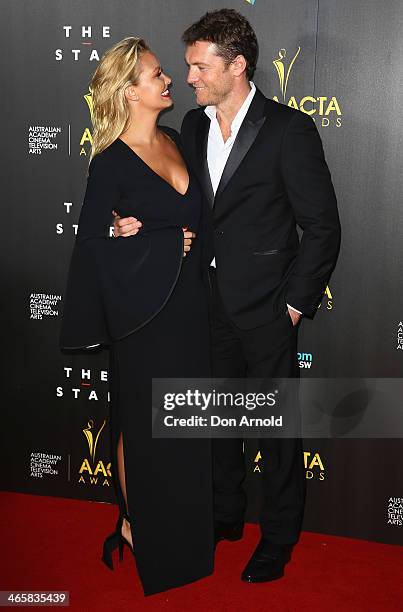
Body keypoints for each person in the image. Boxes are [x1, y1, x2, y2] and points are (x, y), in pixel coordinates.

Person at [114, 9, 341, 584]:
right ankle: (225, 516)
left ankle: (280, 536)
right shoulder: (190, 127)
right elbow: (184, 204)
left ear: (236, 66)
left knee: (276, 432)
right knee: (213, 423)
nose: (188, 76)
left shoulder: (289, 129)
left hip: (267, 307)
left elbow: (322, 227)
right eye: (187, 66)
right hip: (202, 302)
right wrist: (145, 227)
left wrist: (294, 303)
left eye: (198, 65)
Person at [60, 37, 215, 596]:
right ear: (130, 92)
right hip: (142, 317)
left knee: (183, 424)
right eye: (156, 75)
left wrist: (152, 232)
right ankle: (137, 524)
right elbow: (94, 249)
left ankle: (182, 530)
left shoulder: (176, 139)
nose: (168, 79)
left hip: (189, 308)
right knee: (143, 428)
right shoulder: (109, 165)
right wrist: (157, 238)